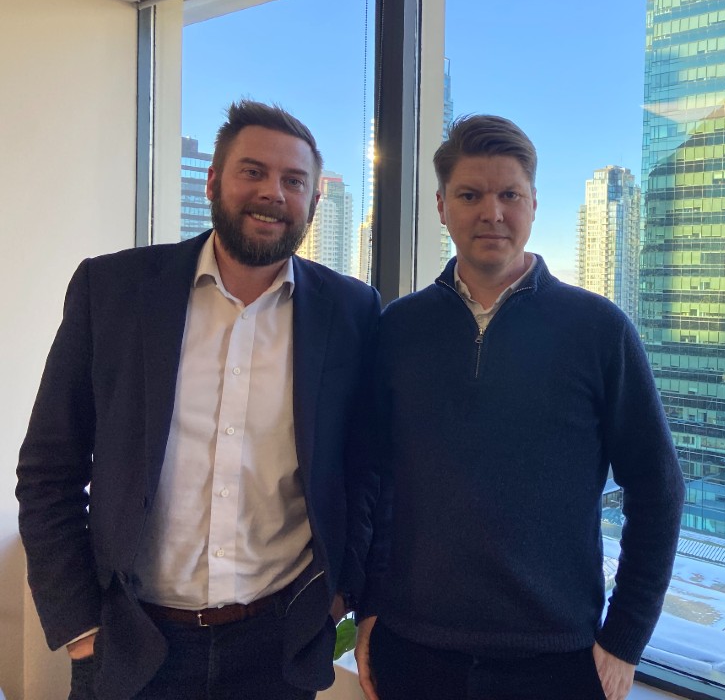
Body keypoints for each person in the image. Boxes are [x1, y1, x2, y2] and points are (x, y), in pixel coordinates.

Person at [16, 100, 384, 700]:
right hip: (132, 646)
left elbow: (366, 469)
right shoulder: (112, 291)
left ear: (315, 204)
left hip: (277, 648)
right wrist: (78, 623)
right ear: (213, 182)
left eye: (294, 181)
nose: (273, 192)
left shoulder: (352, 312)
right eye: (253, 171)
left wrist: (343, 589)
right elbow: (48, 471)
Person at [356, 115, 684, 700]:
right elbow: (372, 480)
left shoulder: (598, 330)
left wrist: (626, 638)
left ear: (534, 204)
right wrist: (371, 608)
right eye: (470, 195)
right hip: (413, 650)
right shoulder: (398, 328)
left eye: (509, 194)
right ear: (440, 206)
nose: (492, 212)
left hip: (557, 660)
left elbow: (658, 487)